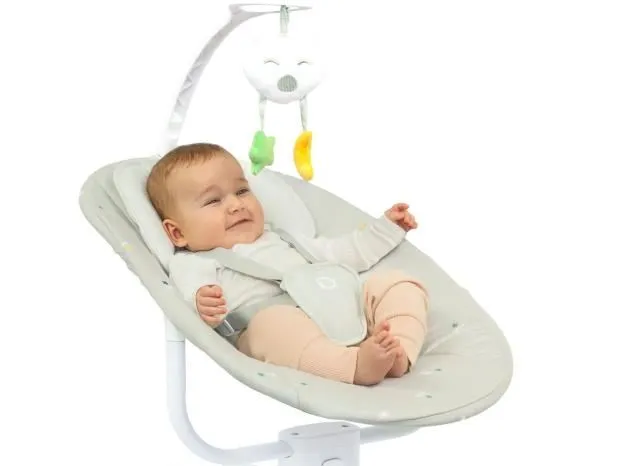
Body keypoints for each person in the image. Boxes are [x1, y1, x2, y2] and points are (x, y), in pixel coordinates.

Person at [146, 142, 429, 385]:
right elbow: (184, 297)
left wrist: (387, 229)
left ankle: (397, 351)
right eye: (213, 201)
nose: (236, 205)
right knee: (272, 327)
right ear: (177, 233)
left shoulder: (283, 238)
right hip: (277, 325)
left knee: (395, 283)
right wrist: (200, 303)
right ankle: (354, 366)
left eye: (242, 191)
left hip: (339, 308)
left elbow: (345, 253)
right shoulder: (194, 262)